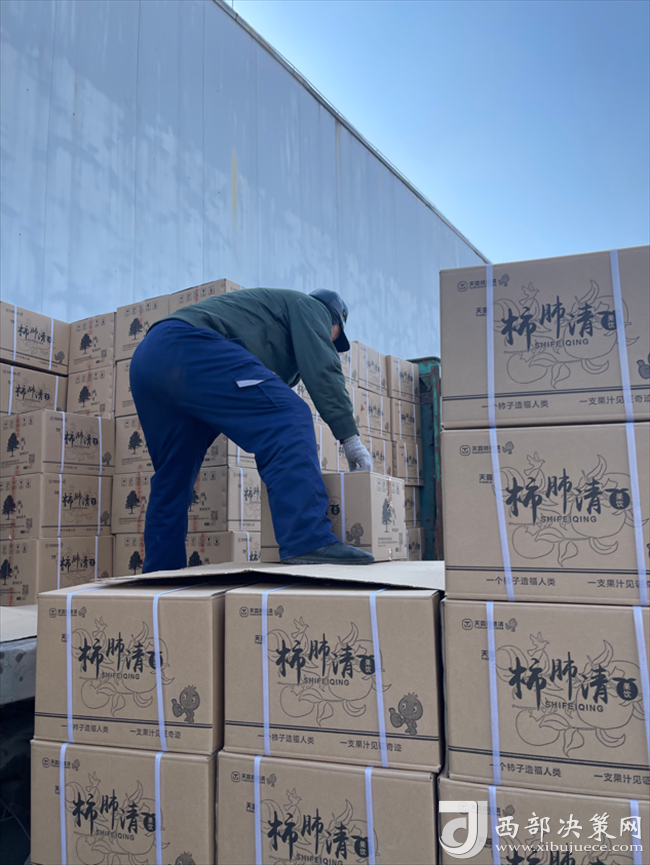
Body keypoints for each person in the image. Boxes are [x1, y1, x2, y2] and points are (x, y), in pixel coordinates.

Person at [129, 287, 375, 572]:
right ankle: (308, 539)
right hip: (188, 346)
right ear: (332, 322)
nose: (331, 343)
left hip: (149, 358)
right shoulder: (310, 307)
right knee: (289, 417)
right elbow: (323, 368)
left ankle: (160, 573)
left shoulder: (273, 322)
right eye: (335, 337)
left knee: (173, 475)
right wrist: (349, 438)